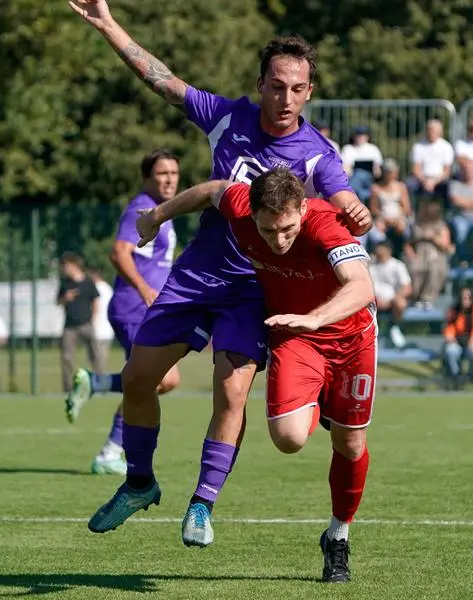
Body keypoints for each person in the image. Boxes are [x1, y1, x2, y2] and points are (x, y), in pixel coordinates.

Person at [70, 0, 371, 550]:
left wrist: (355, 208)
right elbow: (163, 82)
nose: (285, 98)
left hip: (253, 289)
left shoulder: (318, 154)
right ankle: (139, 483)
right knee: (139, 380)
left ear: (310, 91)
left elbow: (343, 193)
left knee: (230, 394)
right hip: (195, 276)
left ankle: (203, 504)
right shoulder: (227, 118)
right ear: (261, 83)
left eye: (297, 88)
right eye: (277, 85)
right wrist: (110, 26)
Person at [134, 168, 377, 584]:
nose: (279, 241)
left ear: (303, 207)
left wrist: (314, 319)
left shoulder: (326, 224)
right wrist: (159, 214)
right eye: (268, 232)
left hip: (351, 340)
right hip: (295, 338)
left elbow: (362, 287)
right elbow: (212, 191)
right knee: (288, 438)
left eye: (287, 229)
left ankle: (337, 537)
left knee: (350, 444)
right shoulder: (240, 206)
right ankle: (318, 399)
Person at [66, 150, 182, 477]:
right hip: (135, 308)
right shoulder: (141, 207)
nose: (170, 178)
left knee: (163, 380)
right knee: (158, 379)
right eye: (162, 173)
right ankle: (109, 452)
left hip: (148, 310)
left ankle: (97, 383)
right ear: (147, 178)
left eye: (174, 172)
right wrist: (147, 291)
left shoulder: (163, 210)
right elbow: (119, 252)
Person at [57, 252, 101, 392]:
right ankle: (68, 388)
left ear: (74, 265)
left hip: (86, 324)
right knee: (67, 357)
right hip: (70, 326)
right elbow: (58, 302)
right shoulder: (64, 283)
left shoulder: (87, 282)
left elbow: (95, 301)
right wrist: (66, 298)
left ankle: (99, 384)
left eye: (66, 266)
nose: (65, 269)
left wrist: (93, 319)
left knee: (95, 354)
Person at [404, 199, 452, 309]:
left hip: (435, 253)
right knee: (414, 267)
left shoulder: (441, 226)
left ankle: (427, 299)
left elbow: (445, 244)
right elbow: (409, 244)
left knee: (434, 269)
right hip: (418, 253)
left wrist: (433, 237)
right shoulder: (416, 225)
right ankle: (416, 297)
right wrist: (410, 253)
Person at [369, 241, 412, 348]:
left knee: (401, 303)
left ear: (389, 251)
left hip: (392, 301)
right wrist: (375, 300)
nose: (379, 251)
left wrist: (392, 300)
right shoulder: (370, 265)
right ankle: (370, 334)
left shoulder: (398, 265)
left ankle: (395, 327)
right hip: (372, 301)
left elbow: (407, 287)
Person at [442, 288, 473, 389]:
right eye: (463, 297)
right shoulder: (454, 310)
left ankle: (471, 376)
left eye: (468, 297)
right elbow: (449, 327)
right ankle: (456, 377)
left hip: (471, 341)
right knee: (450, 351)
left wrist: (472, 340)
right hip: (457, 341)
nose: (465, 300)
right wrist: (449, 336)